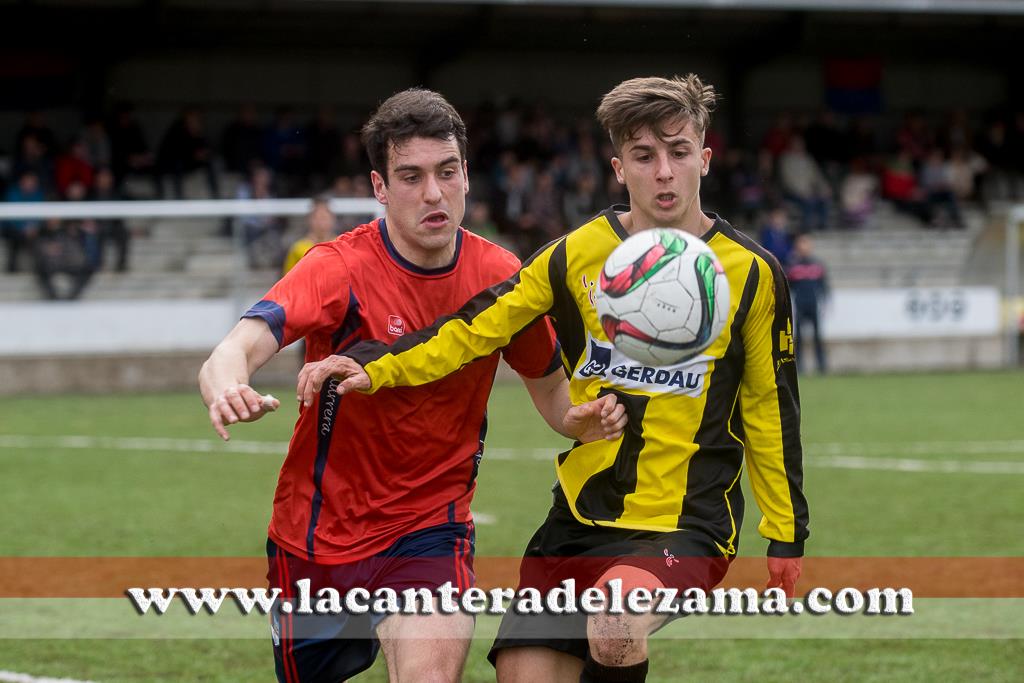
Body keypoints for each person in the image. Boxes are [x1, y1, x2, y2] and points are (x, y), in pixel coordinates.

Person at [308, 74, 809, 683]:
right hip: (579, 516)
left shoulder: (753, 273)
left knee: (615, 621)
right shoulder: (574, 255)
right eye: (644, 157)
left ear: (704, 158)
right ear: (619, 167)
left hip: (686, 522)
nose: (665, 173)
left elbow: (768, 408)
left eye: (679, 153)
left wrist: (784, 534)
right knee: (524, 673)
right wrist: (372, 365)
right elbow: (472, 327)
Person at [198, 88, 625, 683]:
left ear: (467, 176)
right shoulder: (337, 267)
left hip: (432, 529)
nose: (433, 193)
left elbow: (552, 390)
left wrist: (578, 418)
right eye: (411, 176)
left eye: (447, 172)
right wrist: (226, 385)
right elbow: (237, 345)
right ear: (379, 187)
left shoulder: (502, 278)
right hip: (318, 534)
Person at [787, 234, 829, 374]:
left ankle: (821, 366)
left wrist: (825, 303)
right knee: (798, 338)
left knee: (817, 336)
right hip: (800, 305)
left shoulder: (817, 265)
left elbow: (824, 287)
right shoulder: (793, 266)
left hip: (813, 305)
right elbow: (789, 287)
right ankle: (798, 367)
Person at [282, 196, 337, 276]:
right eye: (317, 218)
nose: (321, 223)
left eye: (325, 218)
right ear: (310, 219)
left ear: (332, 219)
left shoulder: (340, 246)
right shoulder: (298, 248)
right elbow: (287, 279)